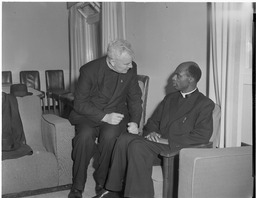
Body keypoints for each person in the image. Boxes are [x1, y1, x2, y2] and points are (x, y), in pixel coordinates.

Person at [93, 61, 215, 198]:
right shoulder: (170, 98)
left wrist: (165, 140)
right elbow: (152, 123)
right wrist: (151, 133)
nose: (173, 78)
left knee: (137, 145)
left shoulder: (204, 104)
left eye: (178, 76)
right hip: (156, 146)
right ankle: (113, 190)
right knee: (124, 138)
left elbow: (201, 136)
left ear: (191, 79)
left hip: (177, 150)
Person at [68, 39, 143, 198]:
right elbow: (80, 104)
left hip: (115, 114)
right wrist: (104, 117)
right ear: (112, 61)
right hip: (90, 114)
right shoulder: (89, 70)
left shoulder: (131, 67)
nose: (130, 66)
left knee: (110, 138)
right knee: (84, 138)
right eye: (126, 64)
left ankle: (102, 182)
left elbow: (135, 98)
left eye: (131, 63)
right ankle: (77, 186)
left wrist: (135, 121)